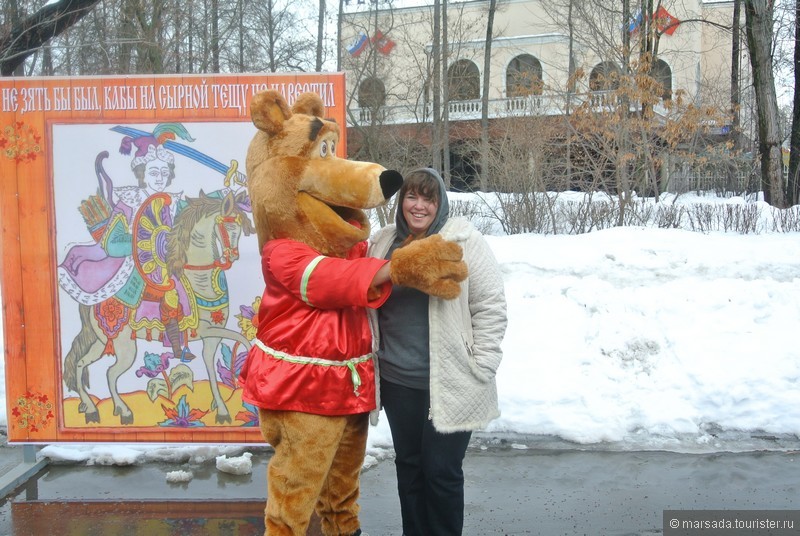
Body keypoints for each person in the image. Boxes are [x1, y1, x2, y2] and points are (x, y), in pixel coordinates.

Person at [367, 167, 507, 536]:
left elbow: (490, 304)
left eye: (428, 199)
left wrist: (484, 363)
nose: (419, 206)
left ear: (440, 204)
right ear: (401, 203)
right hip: (399, 379)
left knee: (441, 470)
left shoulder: (463, 240)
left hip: (454, 378)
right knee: (410, 466)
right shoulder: (383, 243)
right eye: (412, 197)